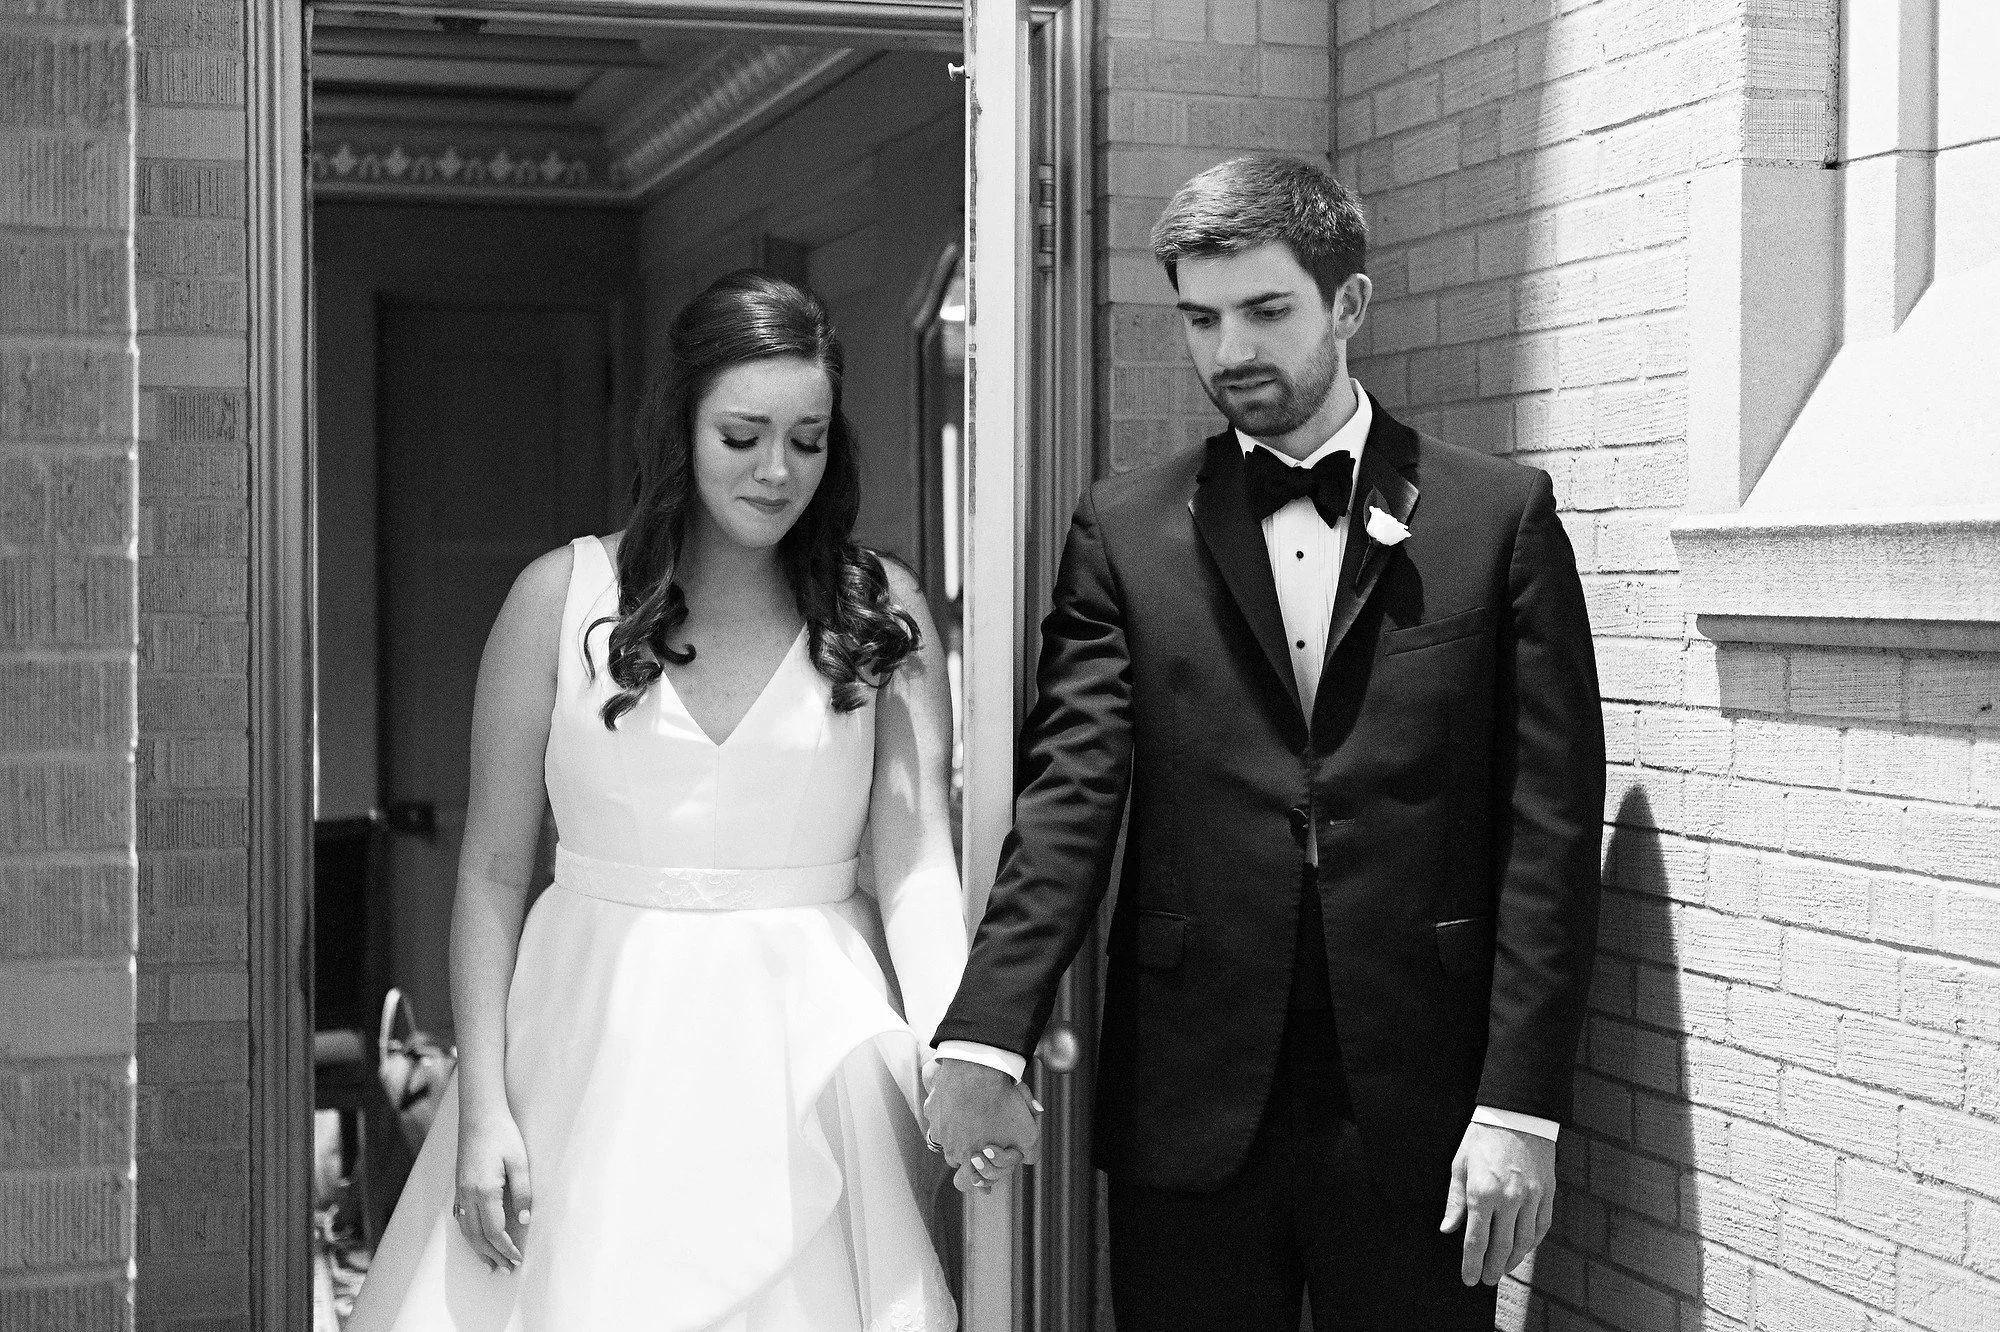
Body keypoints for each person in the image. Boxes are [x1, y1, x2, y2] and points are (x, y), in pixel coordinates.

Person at [924, 155, 1605, 1329]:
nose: (1228, 348)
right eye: (1200, 318)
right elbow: (1068, 796)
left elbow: (1545, 827)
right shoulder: (1122, 528)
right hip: (1189, 1096)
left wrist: (1519, 1107)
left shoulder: (1497, 517)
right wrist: (988, 1034)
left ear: (1347, 305)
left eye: (1263, 310)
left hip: (1423, 1099)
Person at [349, 270, 1003, 1332]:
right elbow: (494, 871)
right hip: (584, 1051)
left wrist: (952, 1049)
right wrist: (484, 1108)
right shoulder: (557, 599)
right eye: (742, 436)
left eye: (807, 439)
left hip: (808, 1060)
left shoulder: (881, 612)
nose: (777, 470)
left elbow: (918, 866)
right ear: (680, 429)